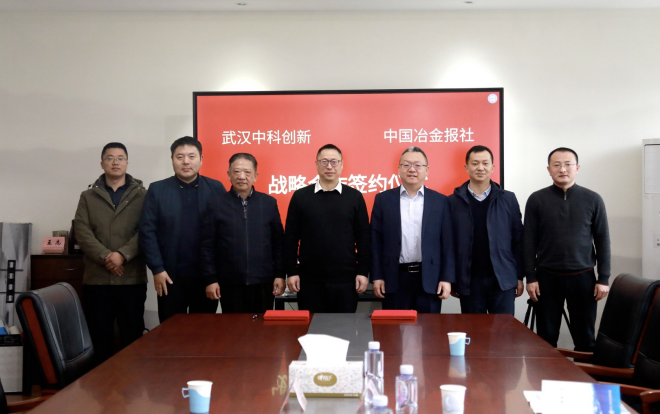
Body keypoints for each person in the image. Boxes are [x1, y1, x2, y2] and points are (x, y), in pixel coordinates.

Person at [523, 147, 611, 351]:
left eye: (568, 164)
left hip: (583, 278)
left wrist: (603, 278)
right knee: (546, 338)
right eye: (557, 165)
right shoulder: (537, 199)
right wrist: (531, 277)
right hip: (546, 278)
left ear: (577, 168)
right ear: (549, 169)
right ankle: (547, 373)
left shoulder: (593, 199)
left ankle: (583, 373)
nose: (562, 169)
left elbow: (602, 240)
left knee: (585, 338)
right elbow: (528, 242)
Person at [73, 142, 147, 363]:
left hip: (131, 278)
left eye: (120, 158)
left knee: (132, 336)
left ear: (127, 163)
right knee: (99, 337)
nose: (115, 162)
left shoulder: (143, 195)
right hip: (97, 280)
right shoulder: (88, 196)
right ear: (102, 163)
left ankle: (132, 383)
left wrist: (122, 255)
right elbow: (82, 231)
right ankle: (99, 384)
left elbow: (147, 230)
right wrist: (107, 256)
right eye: (110, 158)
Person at [139, 136, 226, 323]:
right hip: (169, 276)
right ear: (172, 159)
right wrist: (157, 269)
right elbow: (147, 232)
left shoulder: (216, 188)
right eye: (180, 157)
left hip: (206, 277)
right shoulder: (157, 190)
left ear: (201, 159)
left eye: (191, 156)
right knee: (170, 332)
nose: (186, 161)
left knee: (203, 330)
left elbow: (224, 231)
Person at [284, 144, 371, 313]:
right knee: (310, 327)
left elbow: (363, 239)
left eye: (334, 162)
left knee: (343, 326)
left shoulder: (354, 197)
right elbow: (290, 238)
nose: (329, 166)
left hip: (345, 280)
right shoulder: (300, 197)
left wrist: (363, 271)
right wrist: (291, 272)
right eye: (324, 162)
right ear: (316, 164)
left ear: (341, 164)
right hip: (309, 279)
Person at [370, 146, 454, 312]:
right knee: (394, 327)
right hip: (393, 278)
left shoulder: (441, 201)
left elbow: (448, 243)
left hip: (430, 278)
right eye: (406, 165)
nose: (412, 170)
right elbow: (375, 242)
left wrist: (447, 278)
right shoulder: (383, 200)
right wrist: (377, 276)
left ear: (426, 170)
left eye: (417, 165)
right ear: (399, 169)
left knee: (429, 327)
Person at [200, 153, 285, 313]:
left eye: (247, 172)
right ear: (229, 175)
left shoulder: (268, 203)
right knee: (233, 327)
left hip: (263, 281)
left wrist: (280, 275)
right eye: (237, 171)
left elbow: (278, 243)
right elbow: (206, 245)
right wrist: (210, 279)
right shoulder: (216, 204)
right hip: (229, 282)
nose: (241, 176)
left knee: (261, 326)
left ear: (255, 176)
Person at [448, 145, 524, 315]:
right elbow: (448, 244)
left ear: (493, 167)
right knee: (473, 330)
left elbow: (518, 240)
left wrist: (519, 276)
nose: (480, 168)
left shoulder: (508, 199)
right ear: (466, 167)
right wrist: (451, 278)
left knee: (504, 329)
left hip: (502, 280)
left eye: (485, 163)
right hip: (469, 281)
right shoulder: (453, 202)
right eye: (475, 163)